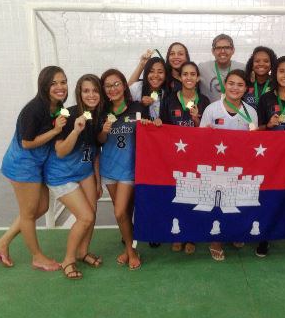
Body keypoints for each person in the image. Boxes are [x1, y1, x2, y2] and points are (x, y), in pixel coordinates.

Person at [0, 66, 67, 271]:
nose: (60, 87)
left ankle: (1, 244)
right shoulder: (34, 109)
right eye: (54, 83)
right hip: (22, 165)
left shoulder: (57, 105)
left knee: (40, 208)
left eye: (63, 82)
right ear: (44, 86)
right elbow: (27, 142)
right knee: (29, 213)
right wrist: (56, 130)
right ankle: (37, 257)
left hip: (36, 164)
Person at [44, 74, 104, 279]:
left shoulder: (99, 115)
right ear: (79, 93)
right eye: (86, 91)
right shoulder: (67, 114)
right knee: (85, 216)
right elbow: (60, 150)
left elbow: (95, 151)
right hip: (61, 175)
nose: (91, 95)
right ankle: (68, 260)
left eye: (95, 90)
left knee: (92, 213)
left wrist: (97, 180)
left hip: (85, 171)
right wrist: (76, 131)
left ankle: (82, 251)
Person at [200, 69, 258, 261]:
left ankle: (234, 233)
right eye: (231, 83)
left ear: (246, 89)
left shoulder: (251, 113)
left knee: (236, 202)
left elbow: (254, 144)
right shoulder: (212, 109)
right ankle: (215, 241)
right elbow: (199, 139)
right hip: (216, 167)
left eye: (240, 85)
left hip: (239, 167)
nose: (235, 88)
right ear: (225, 85)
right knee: (216, 203)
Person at [98, 69, 149, 270]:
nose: (113, 88)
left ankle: (130, 251)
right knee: (124, 212)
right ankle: (129, 248)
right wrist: (102, 132)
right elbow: (98, 141)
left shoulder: (137, 107)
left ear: (124, 85)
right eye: (108, 85)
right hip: (109, 168)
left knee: (119, 212)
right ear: (104, 89)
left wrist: (150, 123)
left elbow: (149, 131)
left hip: (129, 168)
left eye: (117, 83)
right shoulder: (102, 111)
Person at [159, 61, 210, 254]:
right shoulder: (169, 100)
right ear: (180, 78)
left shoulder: (204, 101)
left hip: (196, 157)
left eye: (192, 74)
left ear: (198, 78)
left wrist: (197, 118)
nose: (189, 77)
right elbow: (163, 129)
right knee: (177, 196)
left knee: (194, 196)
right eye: (185, 74)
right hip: (175, 157)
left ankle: (191, 237)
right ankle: (178, 234)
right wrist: (157, 123)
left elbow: (206, 133)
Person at [256, 56, 285, 257]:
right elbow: (258, 129)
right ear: (274, 73)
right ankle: (264, 237)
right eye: (281, 71)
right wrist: (269, 125)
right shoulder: (266, 99)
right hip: (270, 159)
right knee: (267, 195)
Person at [198, 34, 244, 103]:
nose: (222, 51)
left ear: (233, 50)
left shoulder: (242, 68)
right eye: (218, 48)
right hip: (210, 112)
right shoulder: (202, 68)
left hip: (235, 111)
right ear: (213, 51)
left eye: (227, 47)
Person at [129, 56, 167, 122]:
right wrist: (140, 104)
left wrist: (161, 121)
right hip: (140, 130)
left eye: (160, 72)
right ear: (146, 73)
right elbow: (123, 104)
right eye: (151, 71)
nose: (155, 75)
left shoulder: (167, 92)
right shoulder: (137, 88)